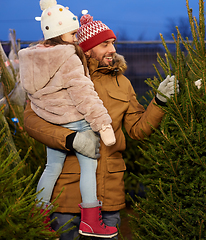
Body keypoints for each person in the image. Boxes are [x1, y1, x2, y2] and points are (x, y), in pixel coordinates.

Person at [23, 9, 178, 239]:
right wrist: (70, 139)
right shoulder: (59, 75)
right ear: (87, 49)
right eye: (105, 44)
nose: (113, 50)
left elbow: (137, 129)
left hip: (110, 195)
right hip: (67, 195)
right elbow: (31, 120)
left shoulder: (122, 83)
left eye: (113, 43)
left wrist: (159, 102)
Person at [19, 0, 118, 238]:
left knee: (51, 168)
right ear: (60, 33)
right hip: (77, 121)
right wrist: (102, 124)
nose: (76, 39)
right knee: (89, 167)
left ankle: (38, 216)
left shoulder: (31, 59)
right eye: (73, 34)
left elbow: (34, 97)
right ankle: (91, 221)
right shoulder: (69, 57)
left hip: (53, 122)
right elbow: (84, 93)